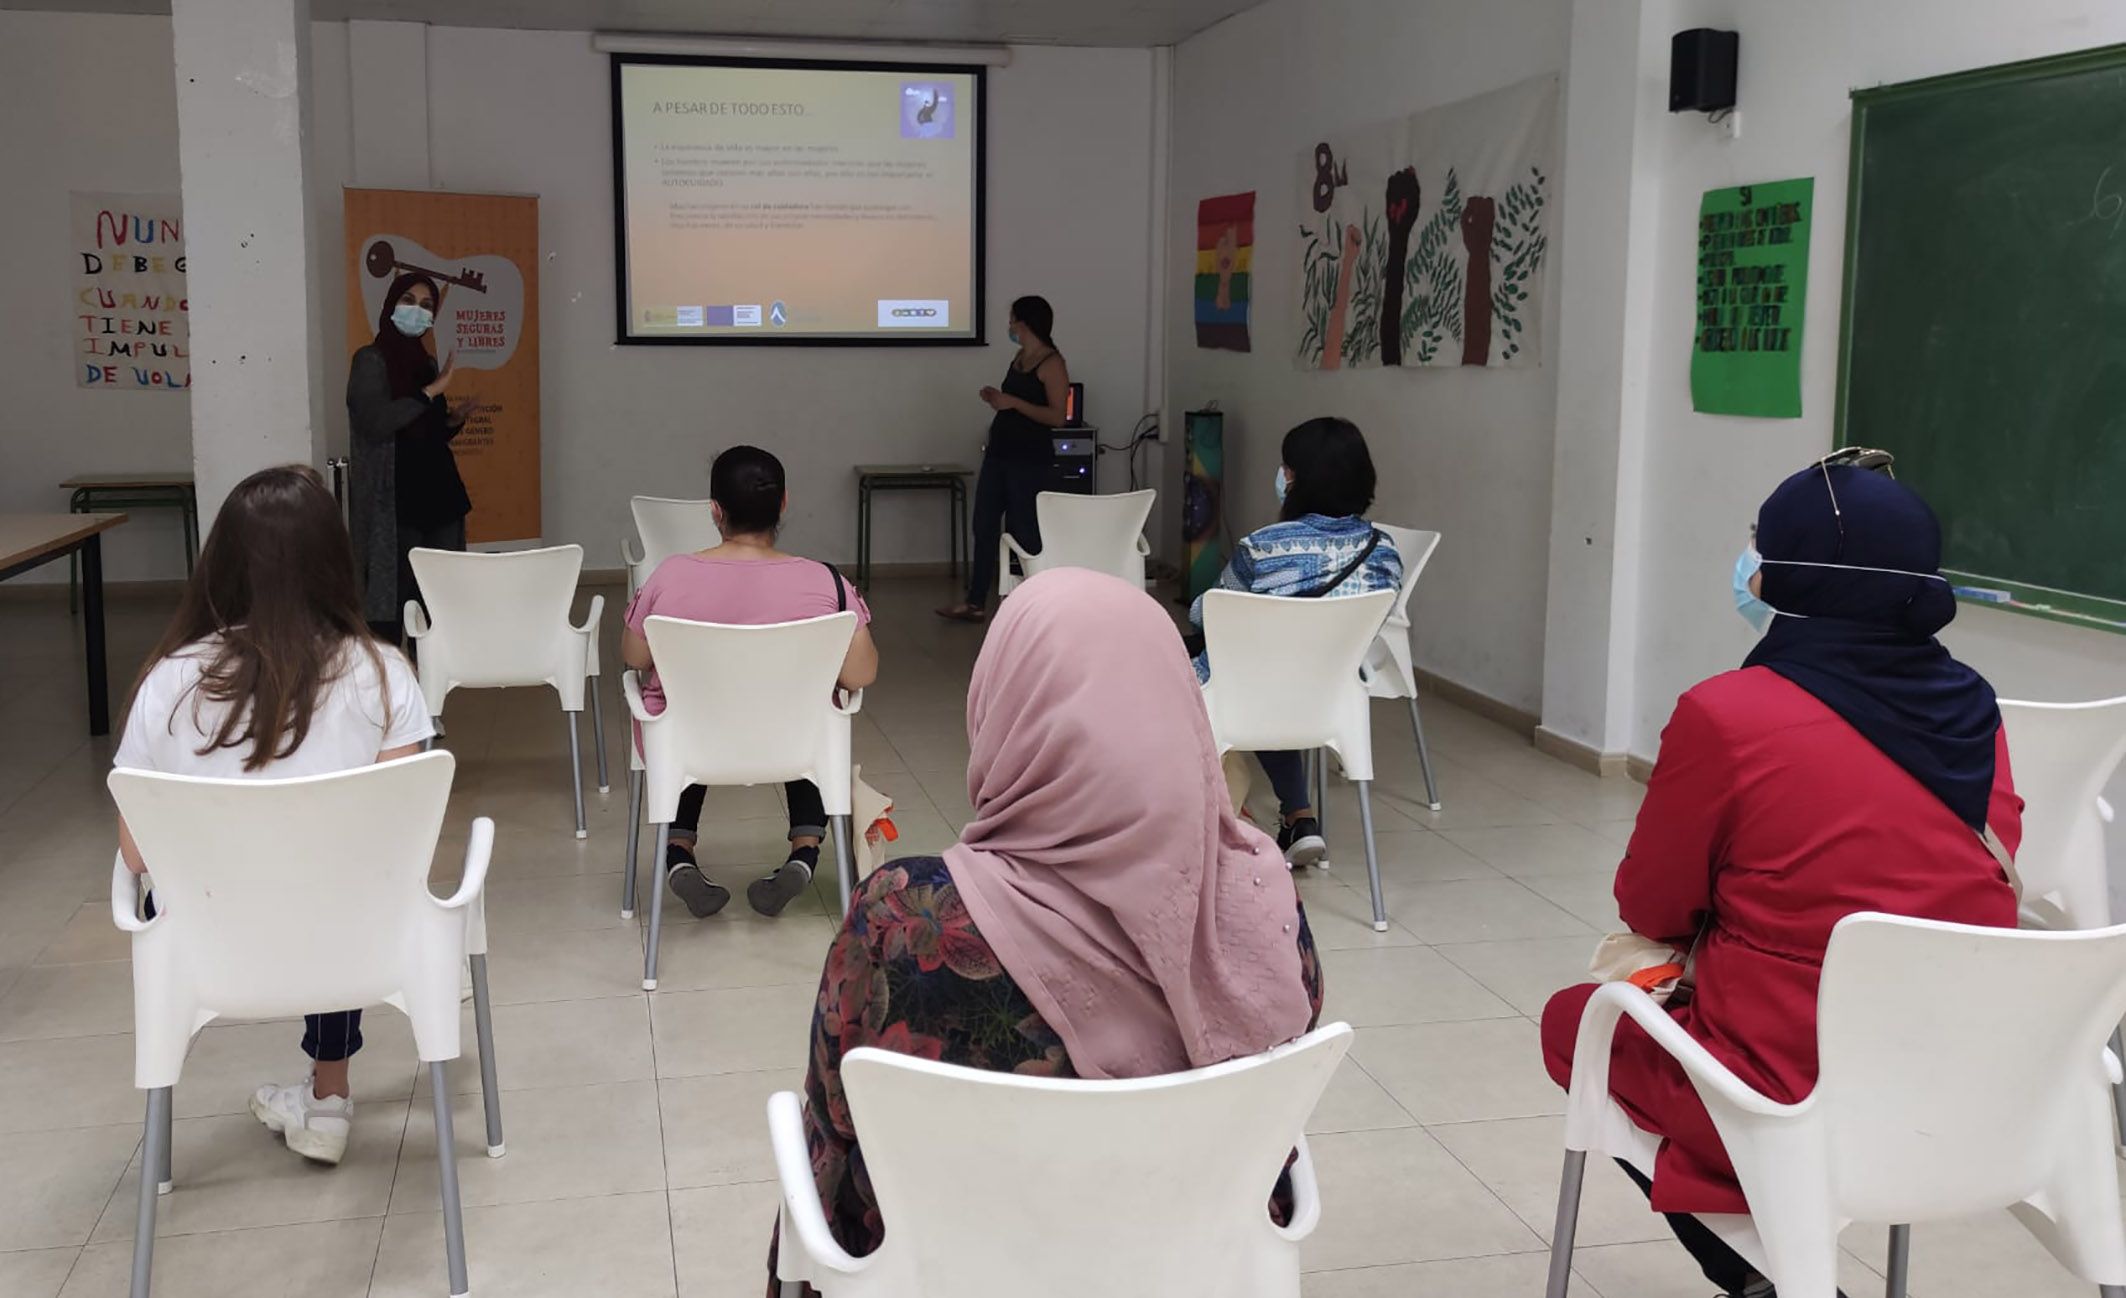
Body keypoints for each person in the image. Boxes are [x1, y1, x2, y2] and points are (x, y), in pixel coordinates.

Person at [1538, 453, 2022, 1298]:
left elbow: (1651, 902)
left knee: (1575, 1023)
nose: (1750, 564)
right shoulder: (1975, 709)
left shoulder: (1728, 715)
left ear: (1795, 573)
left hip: (1789, 1086)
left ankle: (1766, 1273)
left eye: (1762, 546)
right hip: (1962, 1084)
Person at [771, 568, 1322, 1295]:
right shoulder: (1260, 899)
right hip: (1188, 1268)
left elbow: (837, 1115)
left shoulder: (904, 918)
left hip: (950, 1270)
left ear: (1002, 711)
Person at [113, 464, 433, 1167]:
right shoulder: (383, 673)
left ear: (220, 561)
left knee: (320, 874)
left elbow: (136, 857)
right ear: (334, 563)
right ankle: (328, 1095)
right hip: (351, 940)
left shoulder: (166, 680)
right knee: (344, 871)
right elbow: (397, 835)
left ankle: (295, 1107)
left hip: (205, 941)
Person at [622, 445, 879, 919]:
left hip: (694, 743)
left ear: (714, 511)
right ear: (783, 505)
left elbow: (634, 656)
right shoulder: (828, 584)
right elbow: (860, 674)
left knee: (685, 703)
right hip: (793, 744)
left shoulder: (670, 576)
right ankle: (804, 852)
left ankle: (678, 855)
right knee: (814, 704)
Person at [1188, 416, 1403, 866]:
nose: (1282, 476)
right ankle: (1299, 817)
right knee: (1279, 669)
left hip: (1256, 690)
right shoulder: (1384, 553)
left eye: (1287, 468)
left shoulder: (1263, 548)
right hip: (1331, 692)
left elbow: (1207, 613)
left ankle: (1212, 819)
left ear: (1301, 479)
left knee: (1218, 666)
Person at [348, 271, 472, 642]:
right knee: (394, 598)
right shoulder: (370, 360)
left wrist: (454, 420)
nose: (416, 311)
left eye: (427, 305)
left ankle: (432, 680)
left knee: (437, 599)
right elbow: (375, 422)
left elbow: (429, 432)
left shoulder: (425, 361)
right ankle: (391, 683)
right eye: (408, 301)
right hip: (396, 499)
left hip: (441, 495)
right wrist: (430, 392)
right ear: (390, 305)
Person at [936, 295, 1072, 622]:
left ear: (1025, 323)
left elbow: (1057, 417)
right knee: (983, 526)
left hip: (1030, 460)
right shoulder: (1018, 357)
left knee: (1025, 531)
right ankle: (975, 602)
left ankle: (1037, 604)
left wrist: (1012, 402)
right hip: (1000, 454)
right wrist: (997, 400)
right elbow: (1012, 402)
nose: (1009, 326)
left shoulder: (1052, 363)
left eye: (1012, 319)